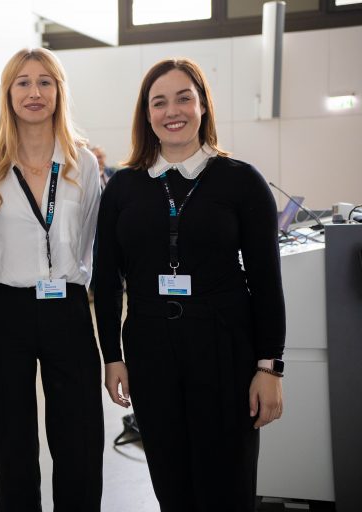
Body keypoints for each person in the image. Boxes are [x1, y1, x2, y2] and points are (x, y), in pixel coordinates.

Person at [93, 58, 286, 512]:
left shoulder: (241, 181)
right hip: (151, 350)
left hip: (225, 349)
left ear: (202, 107)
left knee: (228, 483)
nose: (171, 110)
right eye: (158, 102)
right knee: (171, 481)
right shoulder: (123, 187)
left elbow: (265, 280)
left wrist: (270, 367)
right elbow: (106, 278)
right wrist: (112, 357)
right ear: (147, 114)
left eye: (184, 98)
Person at [0, 48, 103, 511]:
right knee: (12, 448)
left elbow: (89, 242)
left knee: (80, 443)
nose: (34, 92)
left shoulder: (82, 164)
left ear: (59, 92)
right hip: (5, 311)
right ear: (8, 94)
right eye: (22, 82)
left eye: (45, 81)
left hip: (66, 307)